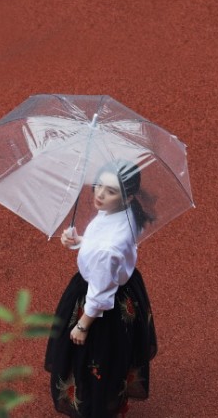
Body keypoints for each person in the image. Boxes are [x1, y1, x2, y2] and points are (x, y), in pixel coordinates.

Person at [44, 160, 158, 418]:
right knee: (115, 358)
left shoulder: (107, 250)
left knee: (92, 361)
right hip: (124, 291)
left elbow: (100, 293)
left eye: (110, 191)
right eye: (98, 186)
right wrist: (80, 242)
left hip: (99, 306)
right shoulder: (125, 213)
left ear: (127, 197)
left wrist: (83, 325)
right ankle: (115, 403)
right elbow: (103, 248)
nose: (99, 194)